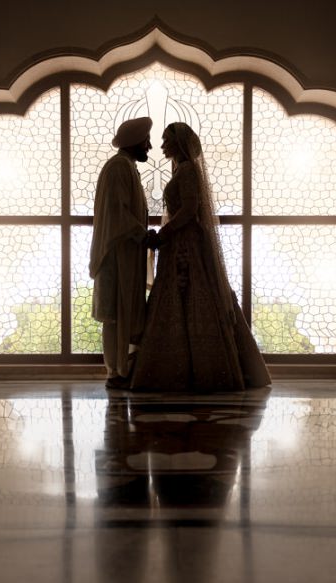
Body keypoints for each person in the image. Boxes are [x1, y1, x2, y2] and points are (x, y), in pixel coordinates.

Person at [129, 122, 272, 392]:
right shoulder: (184, 170)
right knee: (186, 296)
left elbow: (189, 210)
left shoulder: (187, 171)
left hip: (186, 242)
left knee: (192, 294)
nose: (162, 146)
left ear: (179, 143)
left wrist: (163, 234)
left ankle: (195, 369)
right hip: (181, 240)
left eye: (166, 140)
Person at [89, 116, 159, 390]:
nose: (150, 147)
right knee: (116, 314)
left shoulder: (125, 167)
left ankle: (122, 368)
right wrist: (145, 235)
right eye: (146, 141)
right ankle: (115, 372)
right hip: (117, 255)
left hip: (126, 253)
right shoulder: (119, 167)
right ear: (135, 143)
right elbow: (119, 213)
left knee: (123, 312)